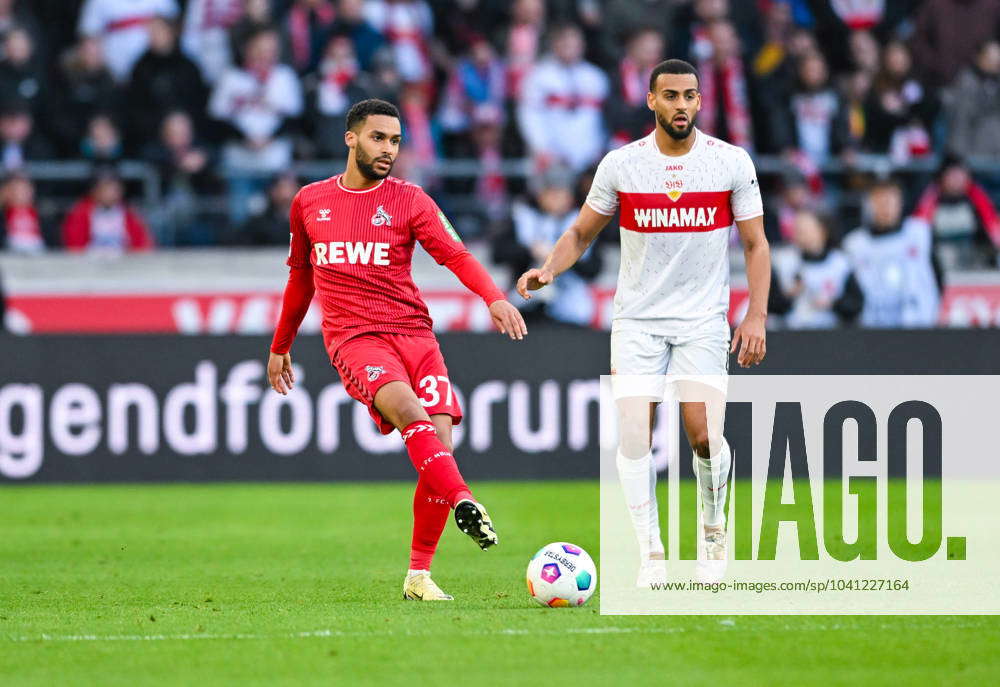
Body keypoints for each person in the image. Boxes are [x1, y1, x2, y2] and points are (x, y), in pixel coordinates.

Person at [517, 59, 769, 588]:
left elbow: (755, 243)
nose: (682, 105)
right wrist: (548, 270)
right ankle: (651, 553)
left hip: (702, 320)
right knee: (634, 436)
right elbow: (583, 233)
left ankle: (714, 529)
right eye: (671, 96)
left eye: (690, 96)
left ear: (701, 102)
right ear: (650, 101)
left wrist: (757, 315)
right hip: (637, 319)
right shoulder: (622, 165)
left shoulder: (729, 162)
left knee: (704, 435)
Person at [266, 99, 526, 602]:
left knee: (440, 444)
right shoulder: (309, 202)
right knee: (411, 412)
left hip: (415, 335)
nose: (388, 149)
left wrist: (493, 298)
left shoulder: (410, 200)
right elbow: (301, 277)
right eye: (378, 138)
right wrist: (281, 345)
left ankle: (418, 577)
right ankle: (465, 500)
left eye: (395, 141)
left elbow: (456, 253)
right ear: (351, 138)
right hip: (354, 339)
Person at [843, 178, 942, 327]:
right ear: (869, 205)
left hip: (918, 325)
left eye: (891, 202)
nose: (886, 208)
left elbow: (938, 274)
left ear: (900, 203)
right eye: (880, 202)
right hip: (873, 330)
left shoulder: (920, 233)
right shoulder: (855, 244)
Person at [771, 210, 863, 328]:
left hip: (831, 332)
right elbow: (771, 306)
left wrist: (833, 304)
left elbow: (856, 304)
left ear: (822, 231)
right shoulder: (783, 262)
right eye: (797, 230)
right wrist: (790, 295)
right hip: (792, 332)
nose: (801, 235)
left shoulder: (840, 263)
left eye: (806, 230)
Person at [62, 167, 154, 252]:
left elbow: (143, 244)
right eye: (105, 189)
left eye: (114, 190)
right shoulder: (81, 213)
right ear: (94, 191)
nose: (110, 194)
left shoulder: (129, 214)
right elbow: (74, 246)